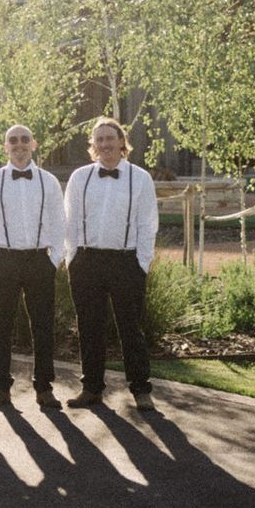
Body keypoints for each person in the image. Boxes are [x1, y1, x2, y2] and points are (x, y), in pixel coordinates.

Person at [64, 116, 161, 411]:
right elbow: (70, 222)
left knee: (130, 329)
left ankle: (141, 389)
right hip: (87, 261)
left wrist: (141, 262)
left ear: (122, 142)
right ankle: (91, 388)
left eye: (110, 138)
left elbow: (148, 224)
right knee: (90, 329)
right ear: (93, 146)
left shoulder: (140, 178)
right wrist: (72, 259)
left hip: (125, 262)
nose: (105, 144)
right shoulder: (80, 177)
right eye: (99, 140)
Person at [0, 125, 68, 411]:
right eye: (13, 140)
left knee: (42, 326)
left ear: (34, 144)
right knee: (1, 328)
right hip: (5, 260)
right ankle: (1, 389)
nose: (19, 144)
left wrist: (53, 260)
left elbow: (59, 224)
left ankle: (44, 389)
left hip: (40, 260)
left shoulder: (49, 181)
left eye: (24, 139)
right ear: (5, 147)